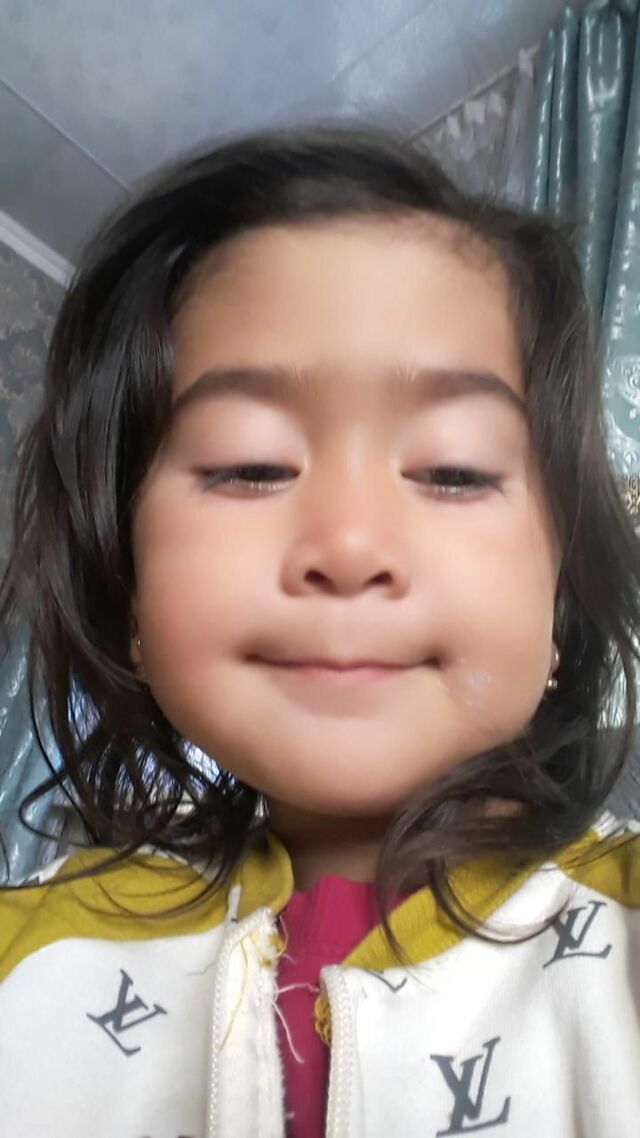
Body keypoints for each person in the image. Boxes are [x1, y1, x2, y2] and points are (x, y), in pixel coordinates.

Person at [0, 123, 638, 1138]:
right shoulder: (29, 956)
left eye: (453, 471)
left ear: (558, 600)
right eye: (250, 465)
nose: (347, 545)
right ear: (129, 596)